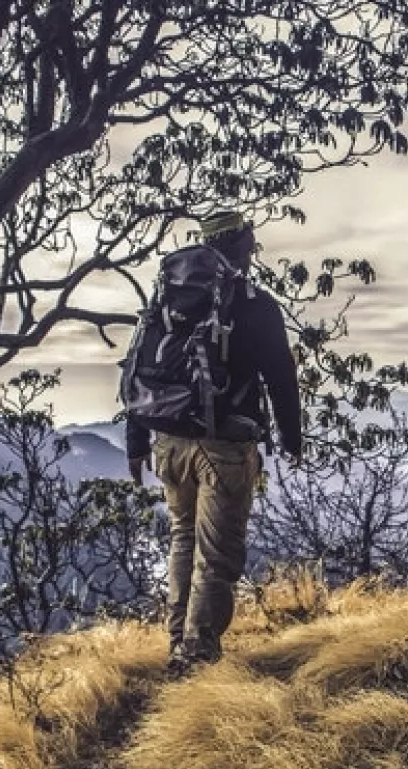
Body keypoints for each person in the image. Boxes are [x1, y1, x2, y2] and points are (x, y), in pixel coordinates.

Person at [125, 210, 302, 675]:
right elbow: (281, 375)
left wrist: (135, 440)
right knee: (217, 553)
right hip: (222, 445)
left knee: (183, 539)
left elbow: (139, 367)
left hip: (167, 440)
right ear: (242, 245)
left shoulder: (168, 300)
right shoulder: (252, 303)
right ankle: (197, 656)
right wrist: (291, 436)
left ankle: (178, 641)